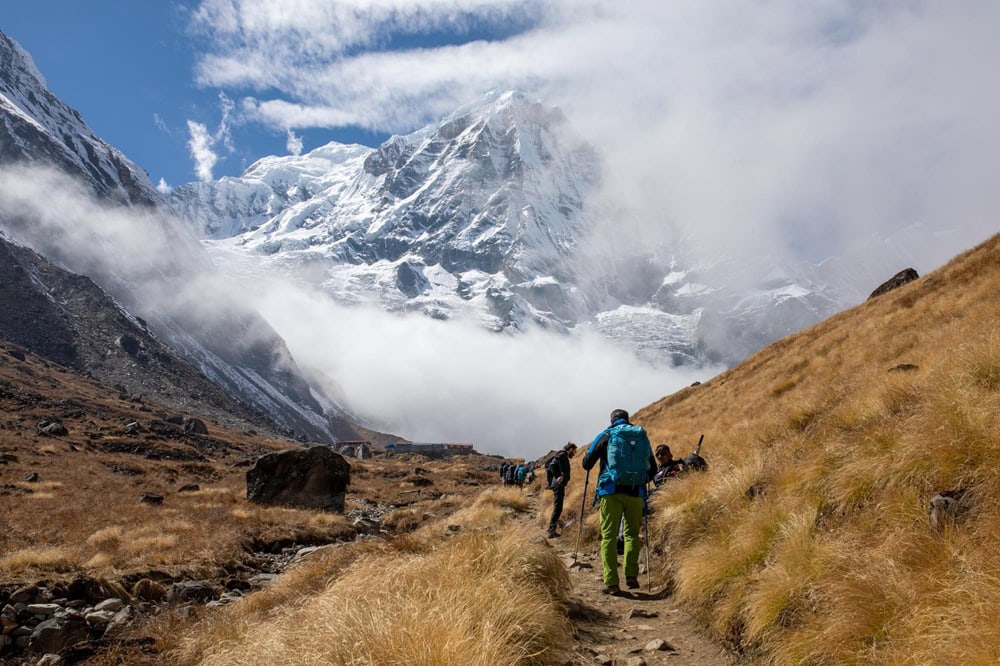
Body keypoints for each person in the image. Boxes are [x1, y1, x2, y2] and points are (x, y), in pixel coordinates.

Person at [582, 409, 656, 594]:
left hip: (611, 491)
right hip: (636, 493)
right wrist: (637, 482)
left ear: (612, 419)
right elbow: (653, 469)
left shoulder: (607, 434)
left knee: (609, 536)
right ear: (627, 419)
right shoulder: (641, 435)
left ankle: (611, 582)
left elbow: (586, 463)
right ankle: (631, 575)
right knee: (631, 535)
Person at [546, 442, 578, 538]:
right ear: (571, 449)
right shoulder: (562, 455)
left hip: (558, 484)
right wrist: (558, 476)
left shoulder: (562, 455)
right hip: (558, 485)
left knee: (558, 507)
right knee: (558, 507)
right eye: (575, 451)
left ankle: (552, 528)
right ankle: (551, 530)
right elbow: (551, 466)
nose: (575, 453)